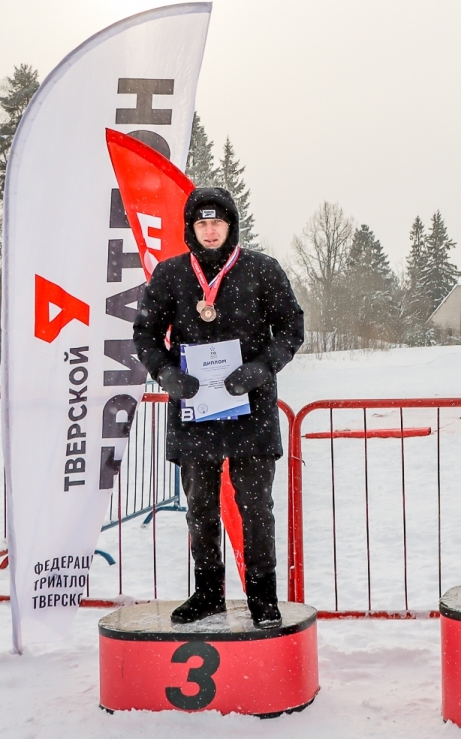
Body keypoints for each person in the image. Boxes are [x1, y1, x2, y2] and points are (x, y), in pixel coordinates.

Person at [133, 188, 304, 628]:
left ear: (231, 226)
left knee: (255, 506)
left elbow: (291, 327)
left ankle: (263, 596)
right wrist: (167, 375)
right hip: (194, 413)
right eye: (201, 224)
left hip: (251, 411)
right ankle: (208, 592)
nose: (210, 231)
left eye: (218, 223)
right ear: (191, 229)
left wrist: (261, 369)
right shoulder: (171, 275)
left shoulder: (262, 270)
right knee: (201, 508)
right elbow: (146, 334)